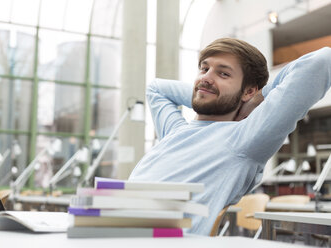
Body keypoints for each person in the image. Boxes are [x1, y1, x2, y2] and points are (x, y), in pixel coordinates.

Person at [128, 38, 331, 236]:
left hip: (150, 239)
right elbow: (156, 89)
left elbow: (322, 61)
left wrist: (256, 99)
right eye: (204, 68)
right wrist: (208, 92)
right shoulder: (175, 131)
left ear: (248, 90)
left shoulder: (245, 138)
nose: (206, 77)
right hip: (113, 227)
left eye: (223, 73)